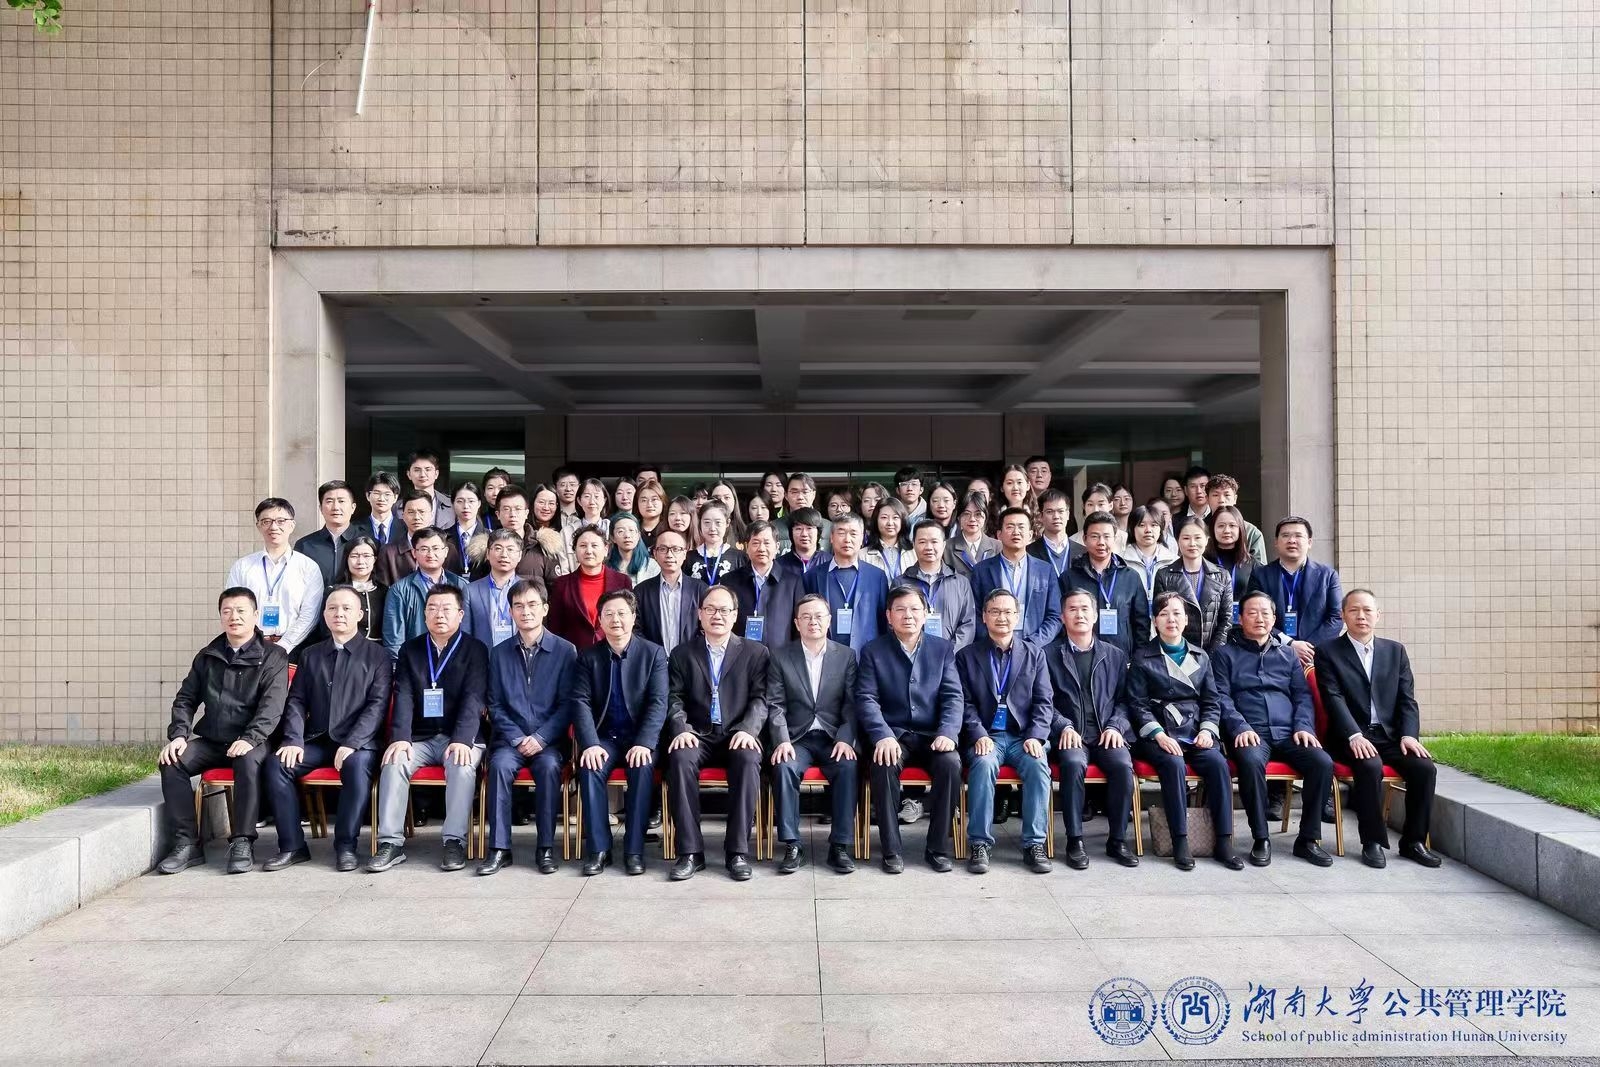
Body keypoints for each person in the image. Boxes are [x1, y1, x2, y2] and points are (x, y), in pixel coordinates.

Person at [155, 588, 288, 875]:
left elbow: (272, 706)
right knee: (172, 762)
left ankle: (242, 841)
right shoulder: (208, 655)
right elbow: (185, 699)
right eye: (227, 611)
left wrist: (250, 738)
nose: (234, 617)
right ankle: (187, 843)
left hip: (254, 741)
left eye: (241, 611)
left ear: (255, 615)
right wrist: (179, 735)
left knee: (246, 760)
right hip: (214, 740)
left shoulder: (273, 656)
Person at [261, 586, 390, 873]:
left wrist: (352, 743)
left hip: (359, 743)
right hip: (318, 739)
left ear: (360, 614)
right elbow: (296, 700)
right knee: (277, 764)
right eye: (332, 608)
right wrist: (293, 739)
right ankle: (292, 846)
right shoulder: (311, 654)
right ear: (324, 614)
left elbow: (377, 705)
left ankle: (346, 846)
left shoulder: (377, 656)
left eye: (346, 608)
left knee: (356, 765)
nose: (338, 613)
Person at [1315, 589, 1440, 869]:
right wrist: (1354, 734)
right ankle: (1372, 841)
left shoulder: (1395, 651)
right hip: (1349, 737)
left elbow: (1407, 699)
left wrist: (1409, 735)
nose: (1361, 616)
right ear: (1343, 615)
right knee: (1369, 766)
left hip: (1389, 736)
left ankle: (1413, 842)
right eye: (1354, 610)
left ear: (1378, 616)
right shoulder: (1328, 652)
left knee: (1424, 768)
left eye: (1367, 610)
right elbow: (1333, 698)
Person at [369, 583, 490, 873]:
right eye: (432, 608)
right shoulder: (411, 649)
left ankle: (454, 841)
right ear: (424, 615)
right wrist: (400, 737)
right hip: (420, 737)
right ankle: (390, 843)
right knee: (394, 761)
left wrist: (462, 739)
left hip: (460, 736)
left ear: (460, 614)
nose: (439, 614)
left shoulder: (475, 649)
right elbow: (404, 695)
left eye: (447, 608)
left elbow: (474, 698)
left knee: (461, 765)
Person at [1213, 591, 1335, 868]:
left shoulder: (1288, 655)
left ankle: (1307, 840)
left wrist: (1304, 727)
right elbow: (1221, 697)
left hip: (1289, 732)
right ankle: (1261, 837)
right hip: (1251, 732)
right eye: (1252, 613)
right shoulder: (1224, 655)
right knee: (1250, 761)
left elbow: (1302, 696)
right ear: (1240, 618)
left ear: (1274, 618)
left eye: (1265, 613)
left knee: (1322, 762)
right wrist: (1239, 727)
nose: (1259, 618)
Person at [1126, 592, 1242, 871]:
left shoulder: (1201, 656)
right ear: (1155, 621)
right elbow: (1137, 704)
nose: (1171, 619)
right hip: (1159, 734)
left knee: (1217, 763)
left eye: (1177, 613)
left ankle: (1224, 841)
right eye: (1164, 614)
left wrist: (1207, 731)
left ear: (1186, 619)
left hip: (1194, 732)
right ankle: (1179, 840)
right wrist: (1158, 734)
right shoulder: (1142, 658)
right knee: (1173, 763)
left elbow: (1212, 701)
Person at [663, 585, 771, 882]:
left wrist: (749, 729)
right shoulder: (682, 653)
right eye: (710, 609)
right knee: (680, 757)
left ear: (735, 615)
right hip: (698, 733)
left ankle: (736, 852)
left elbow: (762, 699)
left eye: (724, 610)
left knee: (748, 759)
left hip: (737, 732)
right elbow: (674, 698)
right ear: (700, 614)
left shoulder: (755, 652)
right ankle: (690, 852)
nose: (717, 615)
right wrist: (681, 728)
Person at [854, 584, 964, 873]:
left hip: (932, 735)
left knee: (951, 763)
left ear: (925, 614)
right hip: (894, 734)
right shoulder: (873, 651)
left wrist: (948, 732)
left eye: (915, 609)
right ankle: (891, 850)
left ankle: (937, 848)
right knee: (882, 764)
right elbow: (866, 698)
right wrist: (882, 735)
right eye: (900, 609)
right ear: (888, 616)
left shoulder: (942, 649)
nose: (908, 615)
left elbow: (953, 696)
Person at [477, 578, 579, 876]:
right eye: (518, 606)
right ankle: (499, 849)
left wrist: (542, 737)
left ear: (545, 609)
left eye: (533, 604)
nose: (526, 611)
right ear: (510, 612)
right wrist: (518, 737)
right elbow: (495, 704)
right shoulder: (499, 653)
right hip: (510, 741)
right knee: (499, 767)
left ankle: (545, 848)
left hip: (550, 743)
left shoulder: (565, 651)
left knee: (548, 769)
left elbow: (568, 704)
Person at [572, 589, 669, 876]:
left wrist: (645, 743)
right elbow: (580, 701)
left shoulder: (653, 653)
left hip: (639, 738)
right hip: (605, 738)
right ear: (600, 620)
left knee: (642, 767)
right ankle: (599, 849)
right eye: (609, 614)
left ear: (633, 617)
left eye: (622, 613)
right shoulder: (588, 657)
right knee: (590, 767)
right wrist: (590, 744)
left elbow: (658, 702)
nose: (616, 619)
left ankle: (634, 849)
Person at [957, 589, 1054, 875]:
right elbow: (963, 702)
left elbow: (1044, 701)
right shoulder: (967, 656)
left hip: (1023, 736)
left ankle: (1034, 844)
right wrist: (978, 733)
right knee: (983, 764)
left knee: (1038, 765)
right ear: (984, 616)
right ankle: (980, 843)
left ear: (1017, 616)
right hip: (986, 736)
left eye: (1008, 612)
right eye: (995, 611)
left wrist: (1036, 735)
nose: (1002, 617)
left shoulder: (1035, 655)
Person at [766, 594, 860, 875]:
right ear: (797, 623)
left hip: (833, 737)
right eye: (806, 617)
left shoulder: (846, 656)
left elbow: (852, 704)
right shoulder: (780, 656)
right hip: (798, 737)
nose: (813, 622)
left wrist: (846, 737)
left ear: (829, 621)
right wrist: (782, 740)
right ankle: (792, 844)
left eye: (819, 616)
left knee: (848, 766)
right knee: (784, 766)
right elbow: (775, 704)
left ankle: (839, 846)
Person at [1045, 589, 1138, 869]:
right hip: (1071, 734)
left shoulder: (1115, 656)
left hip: (1106, 733)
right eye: (1072, 609)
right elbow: (1043, 701)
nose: (1080, 614)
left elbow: (1126, 701)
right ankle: (1075, 840)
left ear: (1095, 616)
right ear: (1063, 617)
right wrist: (1063, 726)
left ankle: (1117, 840)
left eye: (1085, 609)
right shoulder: (1047, 655)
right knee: (1073, 763)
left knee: (1122, 765)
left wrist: (1116, 727)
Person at [225, 497, 325, 657]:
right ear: (258, 526)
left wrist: (284, 645)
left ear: (292, 525)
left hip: (294, 649)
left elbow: (310, 614)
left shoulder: (308, 567)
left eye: (281, 521)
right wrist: (250, 643)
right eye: (266, 521)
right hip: (250, 648)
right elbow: (233, 608)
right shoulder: (242, 567)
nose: (273, 527)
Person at [1247, 516, 1344, 668]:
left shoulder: (1328, 575)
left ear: (1309, 542)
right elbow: (1255, 615)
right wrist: (1290, 644)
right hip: (1272, 655)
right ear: (1276, 542)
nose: (1292, 540)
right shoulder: (1260, 575)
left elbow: (1336, 617)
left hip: (1316, 657)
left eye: (1298, 536)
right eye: (1285, 535)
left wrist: (1307, 648)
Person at [970, 507, 1062, 646]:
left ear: (1030, 535)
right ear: (999, 535)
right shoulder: (982, 570)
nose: (1016, 532)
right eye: (1010, 527)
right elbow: (974, 614)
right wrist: (995, 641)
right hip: (993, 648)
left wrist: (1033, 644)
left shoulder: (1045, 570)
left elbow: (1055, 616)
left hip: (1035, 649)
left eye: (1021, 527)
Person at [1062, 511, 1149, 655]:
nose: (1101, 542)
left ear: (1115, 539)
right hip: (1080, 656)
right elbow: (1061, 621)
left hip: (1122, 658)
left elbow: (1142, 625)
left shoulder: (1130, 577)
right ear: (1084, 539)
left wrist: (1138, 660)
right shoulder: (1069, 578)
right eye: (1095, 536)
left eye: (1107, 536)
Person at [803, 513, 889, 652]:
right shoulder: (812, 576)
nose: (847, 539)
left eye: (853, 533)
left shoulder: (877, 576)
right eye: (841, 533)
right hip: (825, 654)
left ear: (862, 538)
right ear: (831, 537)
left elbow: (883, 621)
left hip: (866, 654)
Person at [382, 527, 469, 659]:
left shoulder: (462, 586)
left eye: (436, 548)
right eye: (424, 549)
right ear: (414, 553)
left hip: (455, 660)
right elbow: (394, 640)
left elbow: (468, 628)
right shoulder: (399, 590)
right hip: (416, 662)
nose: (430, 554)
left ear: (445, 552)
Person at [1153, 516, 1233, 652]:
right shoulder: (1164, 575)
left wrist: (1212, 655)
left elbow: (1226, 620)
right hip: (1176, 651)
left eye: (1197, 538)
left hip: (1212, 653)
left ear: (1206, 540)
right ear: (1177, 541)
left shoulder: (1222, 576)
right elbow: (1161, 616)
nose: (1192, 543)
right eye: (1186, 538)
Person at [548, 525, 633, 652]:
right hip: (574, 655)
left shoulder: (622, 581)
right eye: (583, 546)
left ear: (605, 549)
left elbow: (630, 622)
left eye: (594, 545)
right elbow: (555, 627)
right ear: (575, 551)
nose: (588, 551)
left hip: (614, 653)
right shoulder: (562, 584)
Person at [725, 521, 802, 650]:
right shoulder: (730, 581)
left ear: (777, 547)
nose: (761, 548)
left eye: (767, 543)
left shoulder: (793, 582)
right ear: (746, 547)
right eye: (755, 543)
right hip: (740, 655)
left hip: (780, 656)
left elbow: (799, 625)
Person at [904, 519, 977, 650]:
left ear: (943, 545)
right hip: (912, 657)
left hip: (951, 658)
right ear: (914, 545)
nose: (928, 547)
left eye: (934, 541)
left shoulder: (960, 583)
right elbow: (895, 623)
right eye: (922, 542)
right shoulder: (902, 583)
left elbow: (968, 624)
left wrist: (949, 654)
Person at [634, 528, 708, 654]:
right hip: (654, 660)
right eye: (663, 549)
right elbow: (636, 629)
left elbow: (705, 628)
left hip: (690, 659)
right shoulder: (641, 591)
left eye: (676, 549)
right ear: (655, 554)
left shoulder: (700, 589)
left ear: (684, 554)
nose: (669, 555)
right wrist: (654, 654)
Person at [462, 528, 523, 647]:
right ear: (487, 554)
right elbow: (466, 633)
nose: (504, 555)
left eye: (510, 549)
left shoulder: (529, 589)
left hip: (520, 655)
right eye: (498, 548)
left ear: (520, 555)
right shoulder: (471, 591)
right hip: (483, 656)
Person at [493, 486, 564, 585]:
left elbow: (556, 586)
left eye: (518, 509)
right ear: (498, 514)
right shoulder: (489, 548)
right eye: (506, 509)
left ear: (526, 513)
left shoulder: (544, 545)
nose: (512, 514)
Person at [295, 479, 358, 585]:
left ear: (353, 508)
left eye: (341, 501)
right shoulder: (305, 545)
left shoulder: (367, 541)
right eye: (329, 501)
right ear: (321, 508)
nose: (336, 507)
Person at [375, 490, 438, 586]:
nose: (416, 517)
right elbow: (383, 589)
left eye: (422, 512)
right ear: (403, 516)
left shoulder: (445, 549)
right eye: (411, 512)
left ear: (431, 515)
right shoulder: (388, 552)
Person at [1206, 505, 1257, 623]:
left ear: (1240, 529)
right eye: (1221, 526)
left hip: (1244, 625)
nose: (1227, 531)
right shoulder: (1203, 561)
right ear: (1212, 529)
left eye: (1232, 525)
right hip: (1211, 626)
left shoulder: (1252, 564)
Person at [333, 535, 387, 644]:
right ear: (346, 559)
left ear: (374, 559)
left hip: (378, 650)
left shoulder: (385, 591)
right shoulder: (334, 592)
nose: (360, 561)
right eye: (354, 556)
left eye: (366, 556)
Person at [1204, 474, 1267, 564]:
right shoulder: (1199, 528)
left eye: (1227, 495)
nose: (1221, 500)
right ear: (1207, 499)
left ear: (1235, 499)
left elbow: (1260, 568)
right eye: (1215, 495)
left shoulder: (1252, 532)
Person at [684, 501, 747, 584]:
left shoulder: (739, 557)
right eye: (707, 522)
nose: (712, 528)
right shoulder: (688, 558)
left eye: (718, 523)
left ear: (727, 523)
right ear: (700, 523)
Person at [945, 491, 1000, 578]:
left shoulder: (998, 547)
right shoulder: (946, 548)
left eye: (978, 514)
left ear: (985, 516)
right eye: (966, 514)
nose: (972, 519)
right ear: (958, 517)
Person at [1028, 488, 1079, 581]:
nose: (1056, 516)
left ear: (1067, 514)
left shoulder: (1083, 552)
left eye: (1060, 511)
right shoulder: (1029, 552)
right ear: (1041, 516)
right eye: (1049, 512)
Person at [443, 482, 488, 579]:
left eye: (471, 501)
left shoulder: (490, 536)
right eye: (460, 501)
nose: (466, 506)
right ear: (452, 503)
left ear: (479, 503)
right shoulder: (443, 536)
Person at [862, 497, 912, 581]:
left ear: (902, 520)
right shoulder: (862, 555)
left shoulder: (914, 552)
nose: (890, 523)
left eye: (895, 517)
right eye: (884, 517)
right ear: (876, 520)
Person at [405, 449, 454, 528]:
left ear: (436, 474)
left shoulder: (452, 505)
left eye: (428, 469)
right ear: (409, 474)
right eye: (417, 470)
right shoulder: (396, 508)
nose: (422, 474)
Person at [775, 506, 827, 580]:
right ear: (791, 533)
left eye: (809, 528)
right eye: (798, 529)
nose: (804, 534)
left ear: (818, 532)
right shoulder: (778, 565)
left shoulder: (830, 562)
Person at [607, 513, 659, 585]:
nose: (627, 535)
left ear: (638, 536)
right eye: (621, 531)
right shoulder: (606, 566)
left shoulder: (651, 565)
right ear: (613, 538)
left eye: (631, 530)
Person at [1070, 483, 1124, 552]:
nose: (1095, 510)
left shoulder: (1124, 539)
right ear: (1083, 507)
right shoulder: (1073, 541)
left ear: (1110, 506)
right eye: (1090, 504)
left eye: (1101, 504)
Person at [360, 471, 402, 547]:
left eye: (387, 494)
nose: (381, 499)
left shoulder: (405, 528)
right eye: (377, 493)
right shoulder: (356, 528)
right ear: (368, 496)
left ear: (395, 498)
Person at [709, 480, 749, 547]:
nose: (722, 501)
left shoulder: (746, 532)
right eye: (716, 498)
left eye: (727, 497)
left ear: (734, 501)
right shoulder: (701, 530)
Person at [634, 479, 668, 546]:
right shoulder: (631, 528)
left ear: (663, 501)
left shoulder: (669, 529)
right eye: (644, 500)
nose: (649, 504)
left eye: (654, 499)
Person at [552, 466, 583, 538]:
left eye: (572, 485)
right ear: (555, 488)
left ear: (579, 487)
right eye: (563, 485)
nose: (568, 489)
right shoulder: (550, 513)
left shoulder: (585, 513)